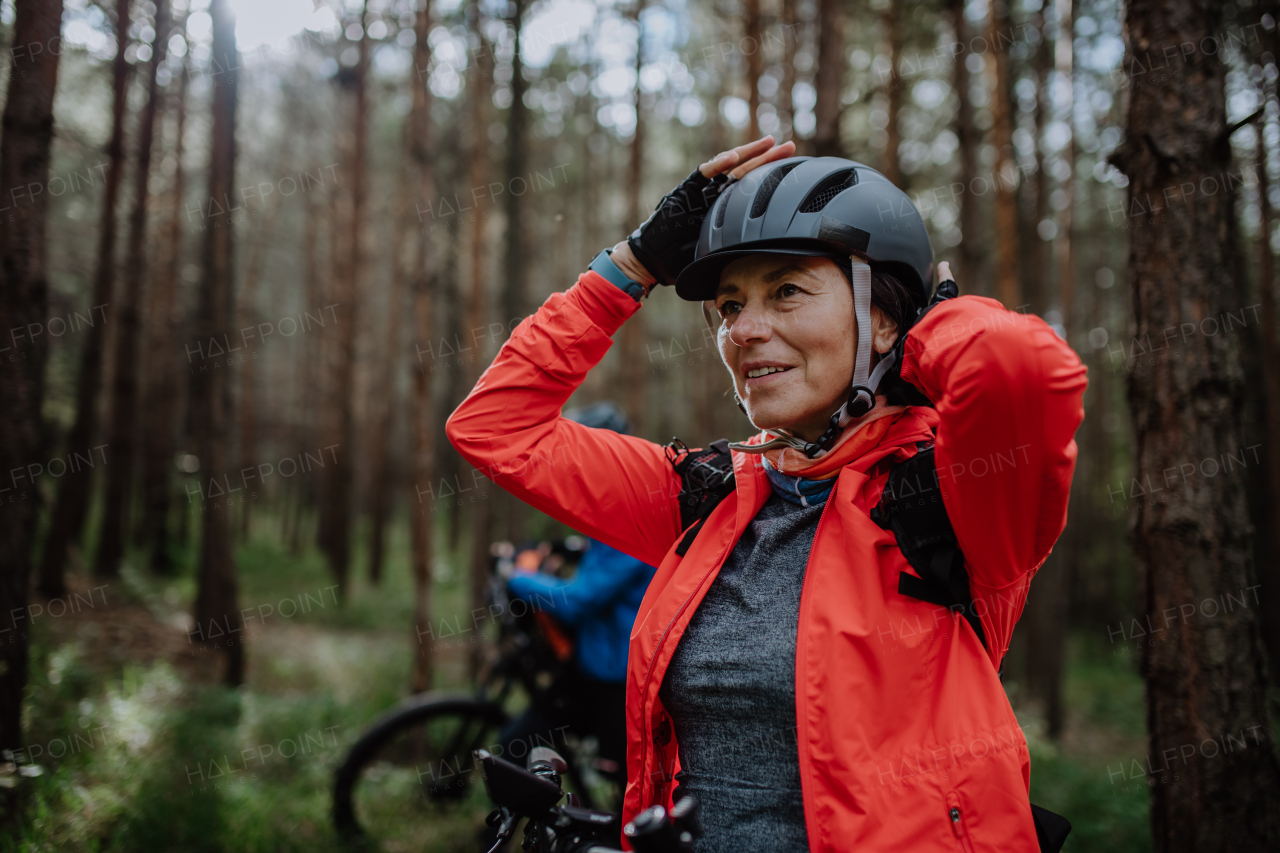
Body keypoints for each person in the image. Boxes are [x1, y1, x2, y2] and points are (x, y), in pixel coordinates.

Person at [448, 136, 1087, 852]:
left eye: (786, 290)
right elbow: (495, 428)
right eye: (728, 305)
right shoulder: (709, 495)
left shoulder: (946, 497)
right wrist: (633, 265)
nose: (744, 331)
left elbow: (1021, 366)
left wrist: (923, 336)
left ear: (882, 316)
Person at [497, 402, 658, 788]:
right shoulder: (613, 503)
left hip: (619, 683)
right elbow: (599, 557)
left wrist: (517, 577)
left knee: (626, 790)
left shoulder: (633, 510)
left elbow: (578, 601)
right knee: (519, 743)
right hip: (596, 668)